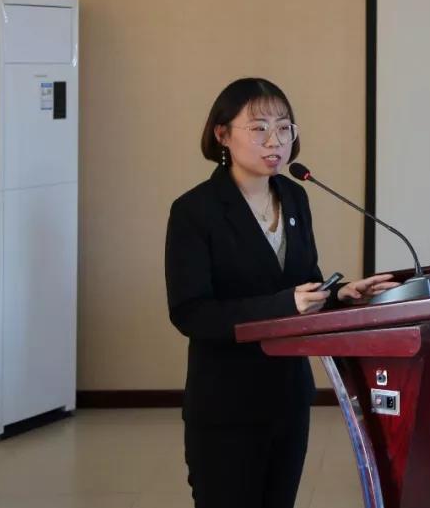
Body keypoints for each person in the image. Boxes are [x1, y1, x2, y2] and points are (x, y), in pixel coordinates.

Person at [165, 78, 397, 508]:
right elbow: (191, 312)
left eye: (284, 127)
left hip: (288, 396)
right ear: (222, 134)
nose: (275, 141)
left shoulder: (294, 196)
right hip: (226, 403)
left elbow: (304, 280)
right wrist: (283, 304)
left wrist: (340, 293)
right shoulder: (195, 211)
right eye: (259, 128)